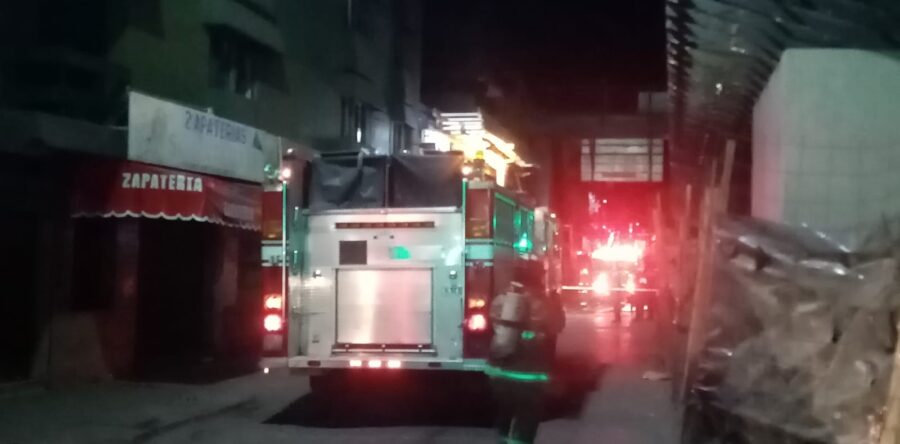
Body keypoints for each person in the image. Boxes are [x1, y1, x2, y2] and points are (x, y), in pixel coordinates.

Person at [487, 261, 565, 444]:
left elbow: (494, 323)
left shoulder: (503, 300)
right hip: (530, 376)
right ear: (538, 277)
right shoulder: (543, 302)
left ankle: (503, 439)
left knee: (504, 416)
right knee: (527, 420)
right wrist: (557, 304)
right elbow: (557, 325)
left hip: (500, 373)